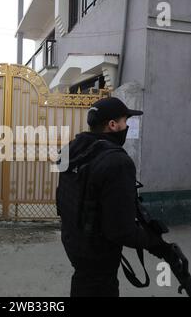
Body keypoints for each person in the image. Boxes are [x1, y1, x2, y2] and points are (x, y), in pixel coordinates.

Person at [57, 97, 171, 297]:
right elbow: (121, 231)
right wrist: (154, 242)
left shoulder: (73, 149)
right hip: (98, 255)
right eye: (125, 121)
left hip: (74, 243)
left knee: (83, 284)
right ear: (112, 125)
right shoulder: (117, 162)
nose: (127, 126)